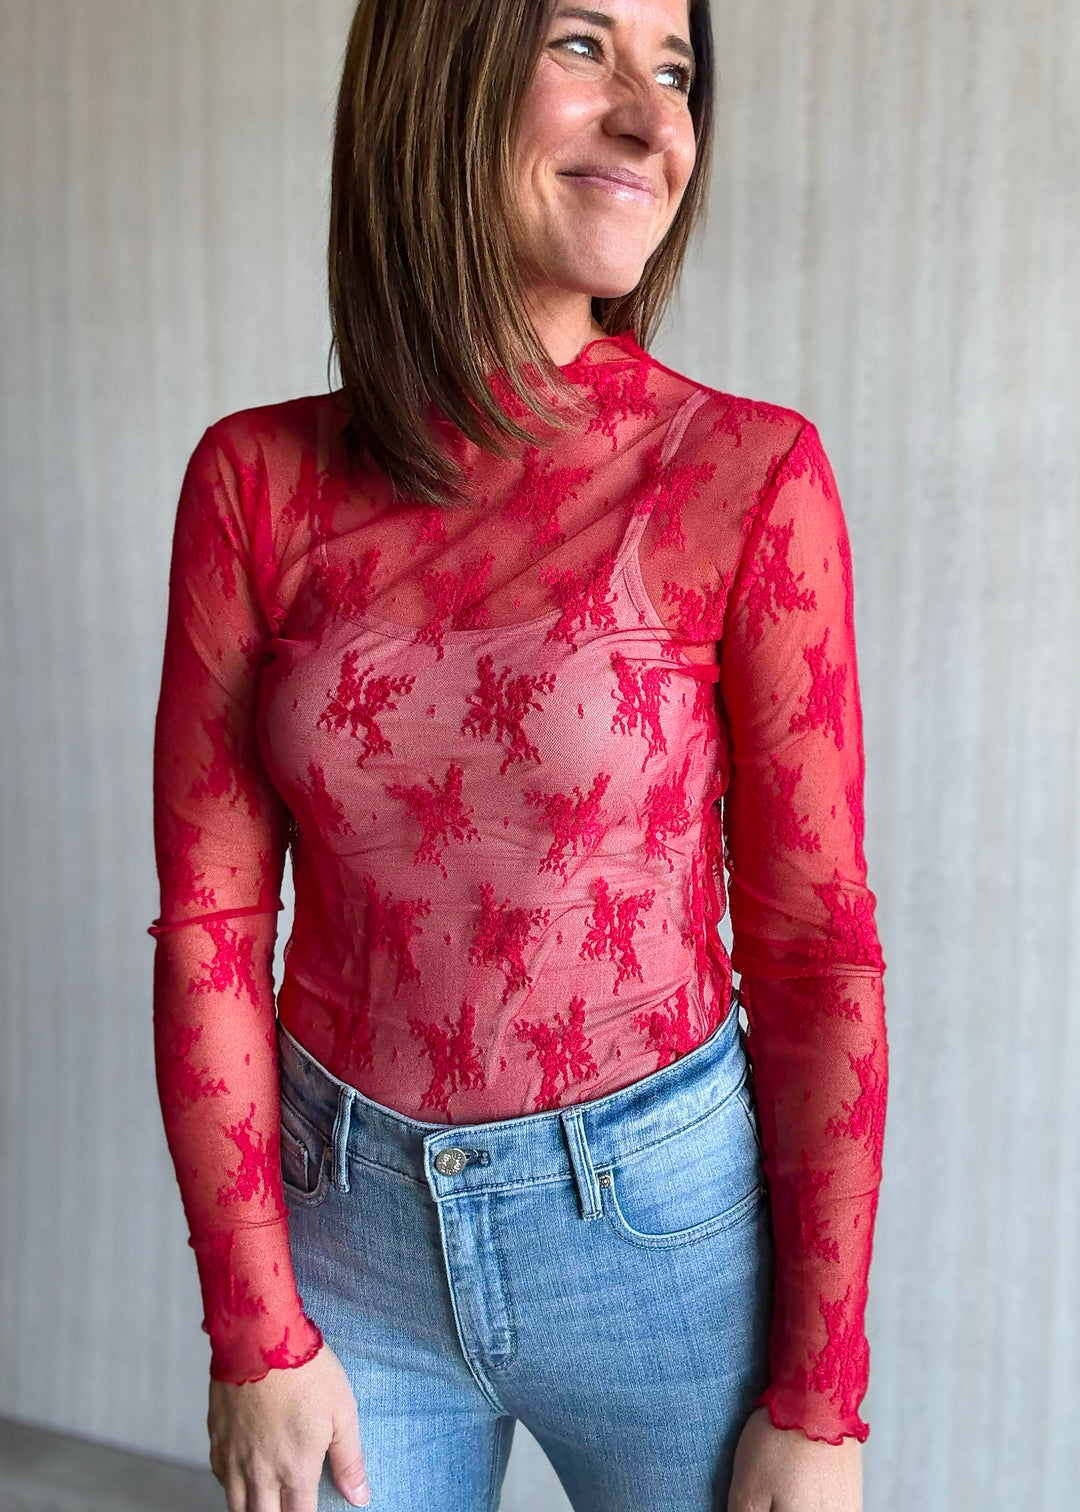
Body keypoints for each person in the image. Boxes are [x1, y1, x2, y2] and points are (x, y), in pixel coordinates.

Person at [147, 0, 888, 1508]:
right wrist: (252, 1328)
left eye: (674, 71)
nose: (654, 119)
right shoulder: (255, 484)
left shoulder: (744, 477)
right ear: (438, 70)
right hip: (339, 1228)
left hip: (662, 1241)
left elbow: (815, 951)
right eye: (583, 48)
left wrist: (821, 1403)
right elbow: (214, 928)